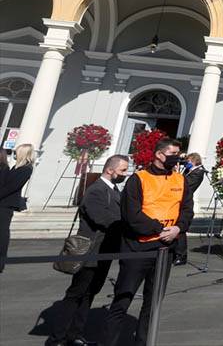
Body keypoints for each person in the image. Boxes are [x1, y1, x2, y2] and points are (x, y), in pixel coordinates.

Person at [106, 137, 194, 345]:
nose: (177, 158)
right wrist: (160, 228)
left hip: (165, 249)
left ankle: (144, 340)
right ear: (159, 154)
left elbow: (187, 210)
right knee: (123, 299)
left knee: (153, 302)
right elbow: (132, 214)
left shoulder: (180, 180)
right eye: (173, 154)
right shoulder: (138, 179)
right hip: (138, 247)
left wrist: (178, 228)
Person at [47, 154, 129, 346]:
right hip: (90, 251)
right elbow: (103, 219)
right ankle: (57, 338)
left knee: (90, 293)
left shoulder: (114, 190)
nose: (126, 173)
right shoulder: (96, 190)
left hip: (104, 252)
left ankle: (74, 334)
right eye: (123, 170)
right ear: (110, 169)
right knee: (76, 294)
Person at [0, 143, 35, 273]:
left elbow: (11, 187)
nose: (14, 154)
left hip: (6, 204)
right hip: (4, 202)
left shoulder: (26, 169)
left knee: (2, 233)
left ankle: (1, 261)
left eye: (17, 152)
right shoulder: (17, 167)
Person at [173, 153, 205, 266]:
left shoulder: (199, 172)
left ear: (195, 160)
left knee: (180, 229)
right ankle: (175, 252)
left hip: (186, 202)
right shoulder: (188, 171)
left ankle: (181, 256)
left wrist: (176, 174)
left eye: (189, 161)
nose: (187, 163)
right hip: (178, 200)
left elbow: (186, 185)